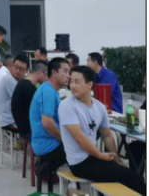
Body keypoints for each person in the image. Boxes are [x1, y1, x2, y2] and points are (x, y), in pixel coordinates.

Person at [59, 66, 145, 196]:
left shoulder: (99, 107)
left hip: (93, 157)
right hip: (79, 163)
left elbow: (107, 135)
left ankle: (78, 193)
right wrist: (100, 155)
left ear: (90, 84)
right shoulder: (67, 105)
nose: (73, 86)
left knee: (127, 175)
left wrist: (117, 160)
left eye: (77, 82)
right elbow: (79, 138)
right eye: (71, 81)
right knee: (134, 179)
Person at [29, 57, 71, 168]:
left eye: (69, 72)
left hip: (50, 141)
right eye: (65, 71)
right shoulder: (48, 92)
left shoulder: (51, 90)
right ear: (54, 73)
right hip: (48, 145)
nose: (69, 76)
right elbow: (47, 123)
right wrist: (65, 139)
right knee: (85, 150)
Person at [11, 61, 49, 141]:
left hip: (23, 127)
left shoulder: (23, 83)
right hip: (29, 131)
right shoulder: (29, 88)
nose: (47, 79)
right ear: (41, 73)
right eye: (47, 75)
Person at [0, 55, 29, 132]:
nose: (17, 70)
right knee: (36, 128)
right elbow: (23, 101)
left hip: (10, 119)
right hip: (9, 122)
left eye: (21, 69)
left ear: (26, 71)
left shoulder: (17, 80)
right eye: (16, 67)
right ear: (12, 66)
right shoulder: (9, 79)